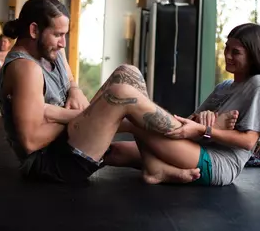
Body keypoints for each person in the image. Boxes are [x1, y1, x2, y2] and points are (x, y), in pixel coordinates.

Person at [0, 0, 258, 186]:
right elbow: (31, 141)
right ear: (34, 30)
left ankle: (156, 165)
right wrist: (97, 115)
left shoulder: (50, 50)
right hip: (51, 163)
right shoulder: (26, 69)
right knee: (122, 96)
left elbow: (68, 77)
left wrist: (74, 90)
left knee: (128, 73)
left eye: (65, 35)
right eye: (58, 35)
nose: (63, 43)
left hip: (66, 142)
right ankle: (174, 140)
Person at [105, 23, 260, 186]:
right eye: (227, 48)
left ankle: (90, 122)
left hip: (217, 163)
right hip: (192, 147)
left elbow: (249, 141)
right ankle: (155, 168)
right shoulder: (223, 86)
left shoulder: (256, 85)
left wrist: (206, 129)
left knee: (138, 120)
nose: (227, 55)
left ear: (253, 55)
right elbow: (189, 121)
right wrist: (201, 119)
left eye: (235, 52)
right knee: (115, 151)